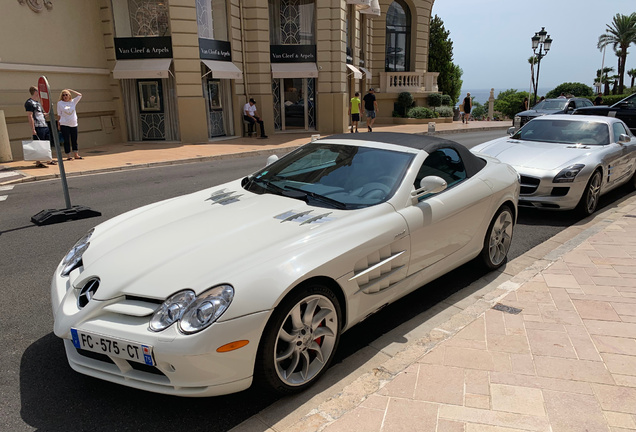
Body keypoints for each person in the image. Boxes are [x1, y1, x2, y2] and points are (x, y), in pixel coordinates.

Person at [25, 86, 56, 168]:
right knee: (38, 143)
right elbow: (30, 116)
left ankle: (48, 159)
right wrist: (33, 129)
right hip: (38, 126)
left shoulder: (38, 103)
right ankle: (38, 162)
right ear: (35, 92)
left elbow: (40, 114)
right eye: (38, 91)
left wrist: (46, 113)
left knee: (47, 142)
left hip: (44, 125)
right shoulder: (29, 103)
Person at [57, 89, 83, 160]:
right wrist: (58, 124)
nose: (65, 96)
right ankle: (68, 155)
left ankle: (76, 154)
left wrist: (71, 90)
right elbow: (59, 114)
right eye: (63, 95)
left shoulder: (73, 101)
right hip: (64, 123)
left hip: (73, 123)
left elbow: (80, 95)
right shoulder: (60, 103)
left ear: (69, 95)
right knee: (66, 140)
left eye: (66, 94)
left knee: (74, 139)